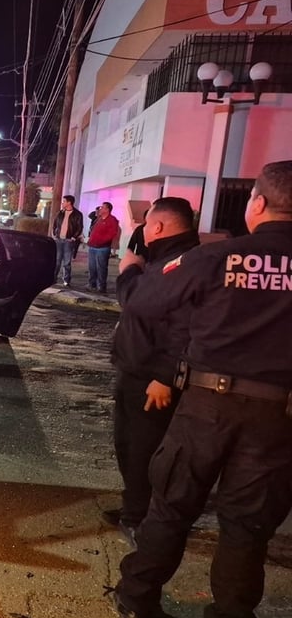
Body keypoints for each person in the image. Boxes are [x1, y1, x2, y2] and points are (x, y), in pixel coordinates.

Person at [111, 160, 292, 618]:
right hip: (278, 419)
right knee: (246, 531)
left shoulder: (215, 258)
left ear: (256, 204)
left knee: (170, 508)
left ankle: (136, 603)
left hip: (207, 406)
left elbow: (143, 304)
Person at [106, 197, 199, 548]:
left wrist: (165, 375)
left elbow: (184, 326)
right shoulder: (164, 260)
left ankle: (139, 519)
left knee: (146, 450)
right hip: (134, 370)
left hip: (153, 379)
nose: (141, 232)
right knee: (128, 446)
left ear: (157, 227)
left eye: (144, 226)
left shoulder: (183, 264)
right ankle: (134, 507)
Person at [86, 201, 120, 293]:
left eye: (102, 207)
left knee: (101, 267)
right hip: (93, 246)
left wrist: (101, 242)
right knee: (92, 267)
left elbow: (112, 233)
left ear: (107, 209)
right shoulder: (99, 219)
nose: (100, 209)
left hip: (102, 248)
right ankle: (92, 284)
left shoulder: (112, 220)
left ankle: (101, 286)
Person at [51, 194, 83, 287]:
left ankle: (66, 280)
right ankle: (53, 279)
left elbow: (79, 227)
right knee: (57, 261)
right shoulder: (60, 213)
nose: (62, 203)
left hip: (69, 241)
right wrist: (54, 234)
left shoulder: (77, 214)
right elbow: (55, 224)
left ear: (69, 202)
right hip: (59, 240)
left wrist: (73, 237)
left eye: (64, 201)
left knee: (67, 262)